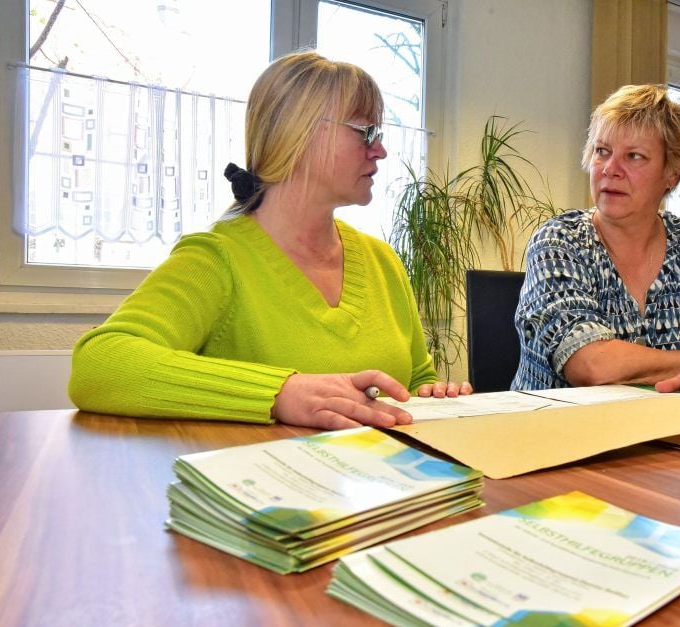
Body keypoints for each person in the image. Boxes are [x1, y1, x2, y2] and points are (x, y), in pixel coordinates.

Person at [69, 50, 470, 430]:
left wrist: (431, 394)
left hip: (389, 489)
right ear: (297, 135)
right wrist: (280, 393)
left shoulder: (383, 261)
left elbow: (416, 378)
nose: (379, 150)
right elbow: (99, 365)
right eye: (366, 132)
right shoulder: (217, 258)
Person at [512, 84, 680, 401]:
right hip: (558, 437)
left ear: (672, 174)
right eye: (602, 151)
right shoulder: (561, 241)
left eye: (633, 156)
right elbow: (592, 365)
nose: (610, 169)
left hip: (676, 434)